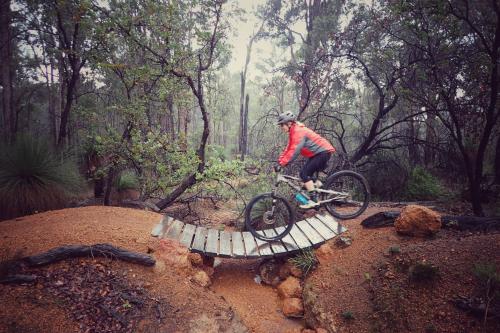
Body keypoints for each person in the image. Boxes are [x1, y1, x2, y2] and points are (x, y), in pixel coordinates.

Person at [276, 111, 335, 209]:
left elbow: (294, 151)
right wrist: (280, 161)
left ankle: (314, 200)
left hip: (322, 153)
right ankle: (318, 185)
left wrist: (282, 164)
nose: (281, 127)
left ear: (289, 123)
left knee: (304, 174)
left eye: (282, 125)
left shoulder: (298, 131)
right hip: (317, 153)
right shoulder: (293, 131)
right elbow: (289, 148)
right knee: (303, 175)